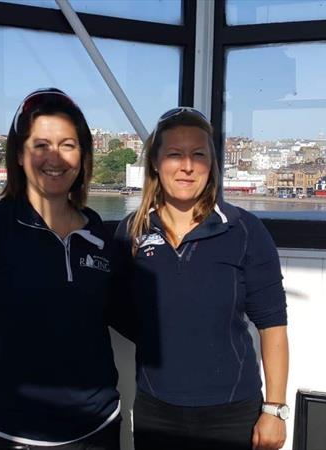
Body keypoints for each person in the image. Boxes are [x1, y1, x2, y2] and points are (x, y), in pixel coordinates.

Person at [0, 88, 121, 450]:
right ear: (20, 155)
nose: (54, 157)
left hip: (100, 426)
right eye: (41, 145)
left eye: (68, 145)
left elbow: (120, 311)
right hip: (17, 433)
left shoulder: (96, 230)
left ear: (84, 156)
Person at [114, 107, 289, 450]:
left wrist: (275, 410)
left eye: (198, 155)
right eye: (174, 154)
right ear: (154, 162)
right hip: (156, 408)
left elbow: (273, 325)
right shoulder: (130, 233)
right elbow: (117, 308)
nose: (187, 166)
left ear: (212, 165)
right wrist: (163, 333)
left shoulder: (244, 230)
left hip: (233, 411)